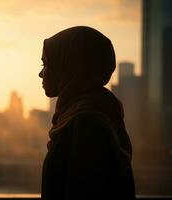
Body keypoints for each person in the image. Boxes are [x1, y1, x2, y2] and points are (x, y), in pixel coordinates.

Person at [39, 26, 136, 199]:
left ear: (69, 65)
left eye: (46, 63)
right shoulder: (94, 111)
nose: (41, 73)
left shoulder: (87, 123)